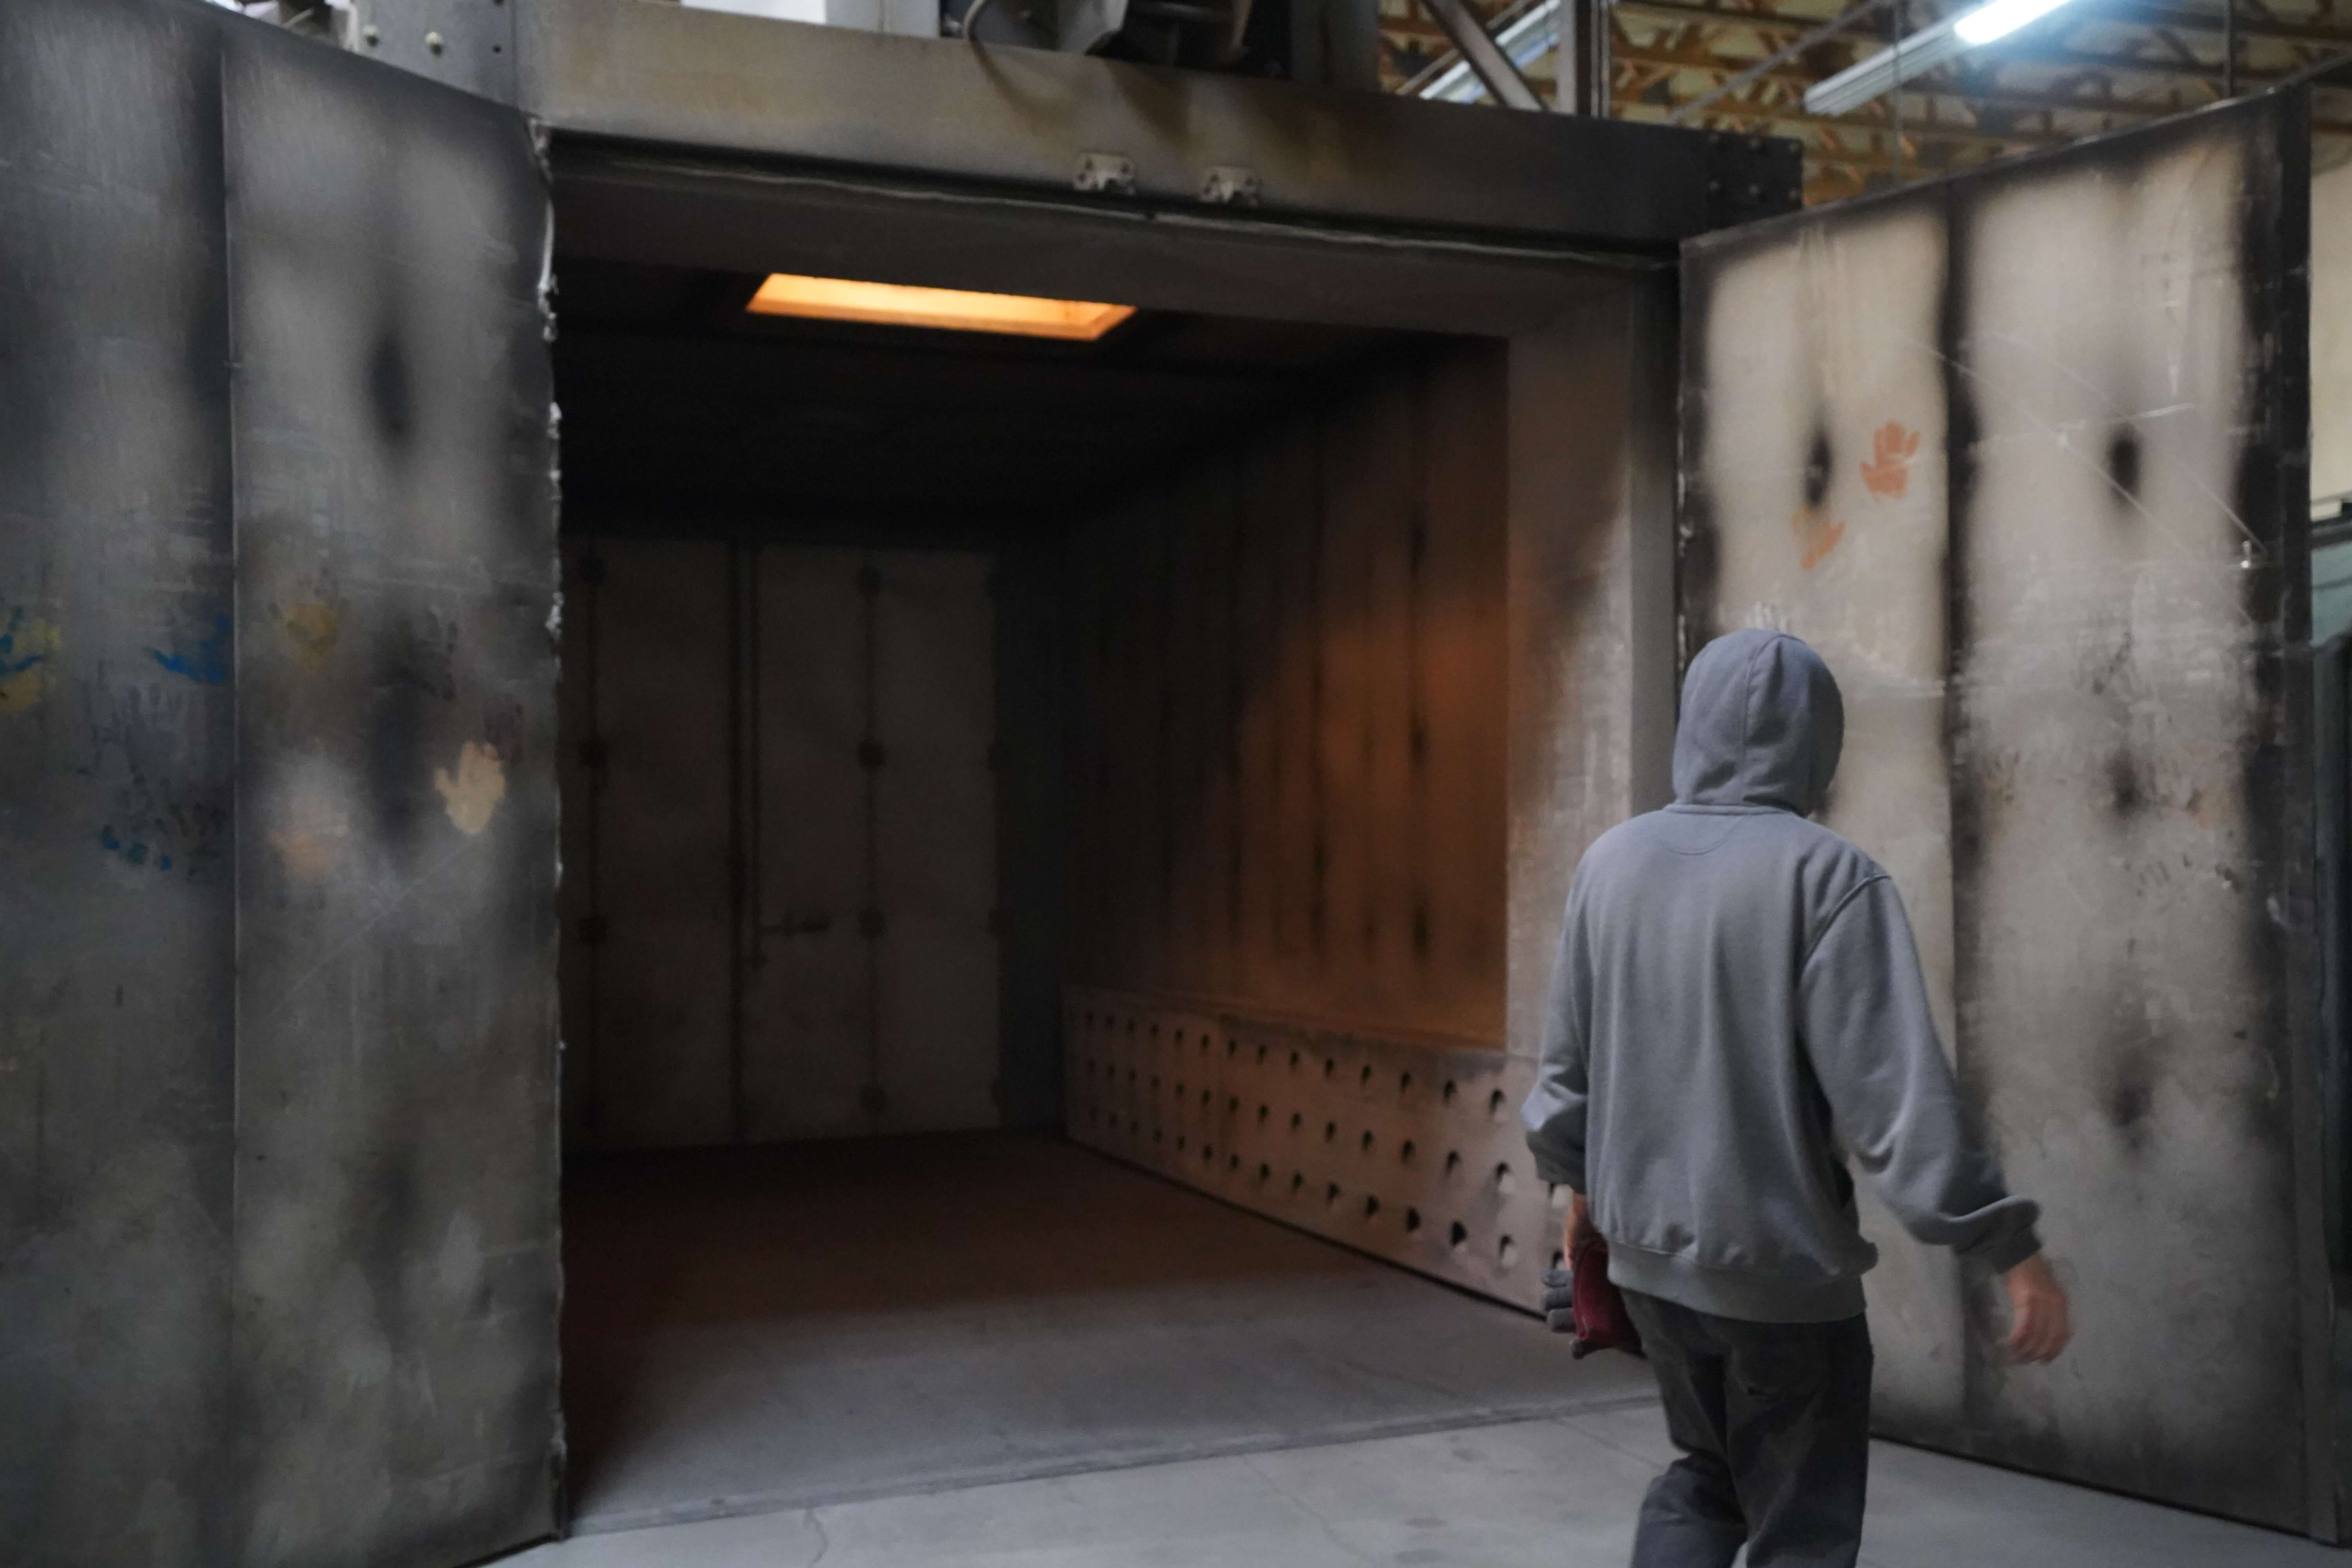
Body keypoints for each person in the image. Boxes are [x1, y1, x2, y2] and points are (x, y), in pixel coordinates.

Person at [1522, 628, 2070, 1568]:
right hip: (1781, 1283)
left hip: (1650, 1268)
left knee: (1705, 1473)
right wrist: (2009, 1246)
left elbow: (1566, 1078)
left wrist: (1579, 1199)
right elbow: (1899, 1104)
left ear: (1691, 725)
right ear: (1820, 740)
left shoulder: (1609, 863)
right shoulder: (1830, 878)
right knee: (1800, 1528)